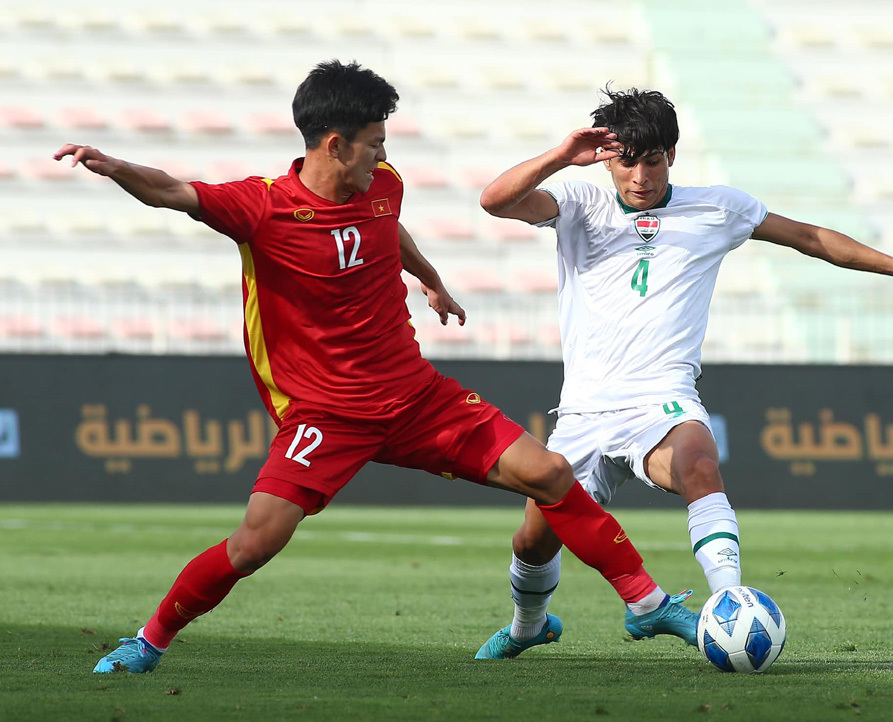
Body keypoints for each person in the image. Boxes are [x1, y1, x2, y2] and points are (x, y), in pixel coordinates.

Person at [55, 61, 700, 674]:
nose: (384, 157)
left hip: (418, 397)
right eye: (374, 143)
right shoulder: (263, 207)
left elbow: (387, 230)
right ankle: (149, 641)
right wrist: (113, 167)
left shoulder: (382, 188)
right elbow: (171, 191)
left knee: (551, 473)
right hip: (325, 416)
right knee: (253, 545)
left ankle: (646, 603)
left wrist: (432, 280)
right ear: (334, 145)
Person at [474, 86, 893, 659]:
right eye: (626, 160)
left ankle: (730, 606)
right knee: (533, 541)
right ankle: (527, 627)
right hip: (584, 410)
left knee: (701, 466)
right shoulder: (579, 202)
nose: (640, 176)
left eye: (652, 160)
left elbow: (811, 238)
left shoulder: (717, 207)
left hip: (661, 399)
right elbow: (494, 201)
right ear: (607, 158)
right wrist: (562, 155)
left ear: (673, 155)